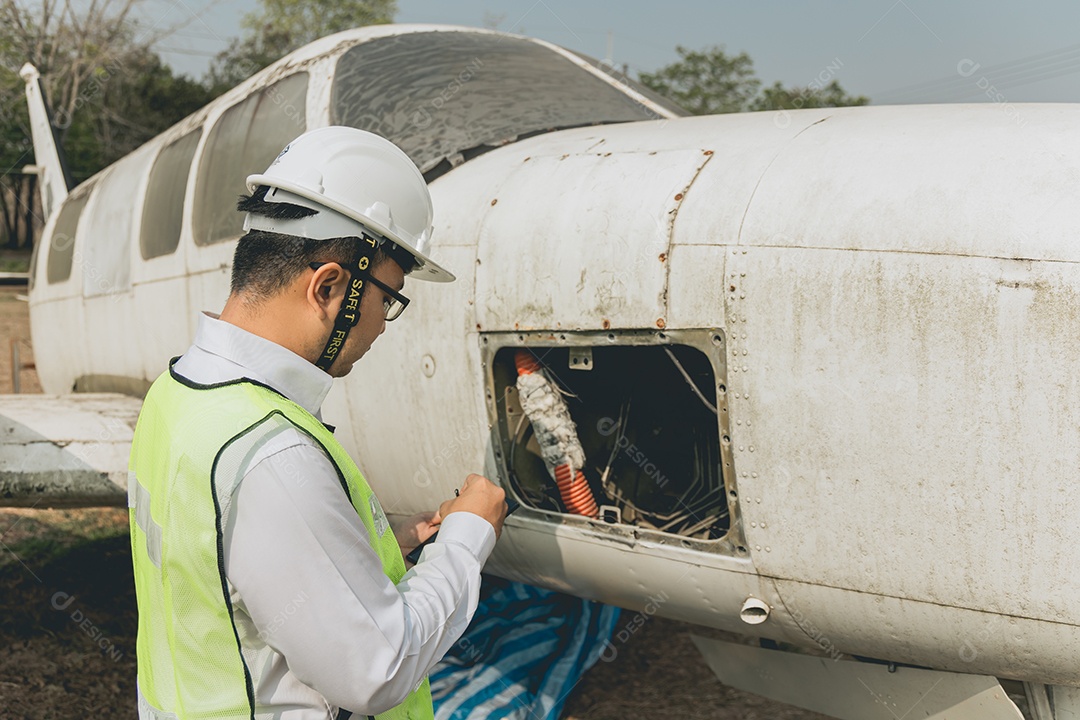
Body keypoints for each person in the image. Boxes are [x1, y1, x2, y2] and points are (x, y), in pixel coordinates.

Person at [128, 126, 508, 720]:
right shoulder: (274, 455)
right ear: (329, 286)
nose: (383, 325)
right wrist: (466, 539)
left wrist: (371, 547)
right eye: (390, 299)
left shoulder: (178, 391)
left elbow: (222, 561)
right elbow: (377, 669)